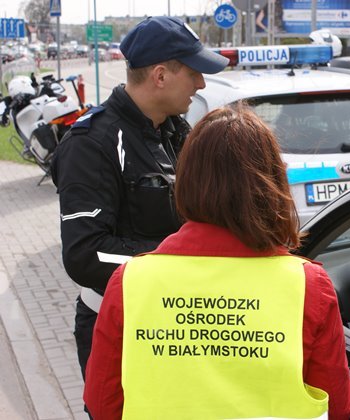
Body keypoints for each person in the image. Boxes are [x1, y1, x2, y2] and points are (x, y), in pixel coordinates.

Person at [83, 104, 350, 419]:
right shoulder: (308, 287)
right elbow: (339, 406)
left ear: (185, 180)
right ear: (271, 183)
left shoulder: (131, 282)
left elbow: (102, 405)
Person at [50, 16, 229, 380]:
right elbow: (86, 254)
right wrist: (184, 265)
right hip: (120, 327)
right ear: (160, 76)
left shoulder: (179, 132)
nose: (201, 83)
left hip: (178, 323)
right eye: (193, 72)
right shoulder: (91, 144)